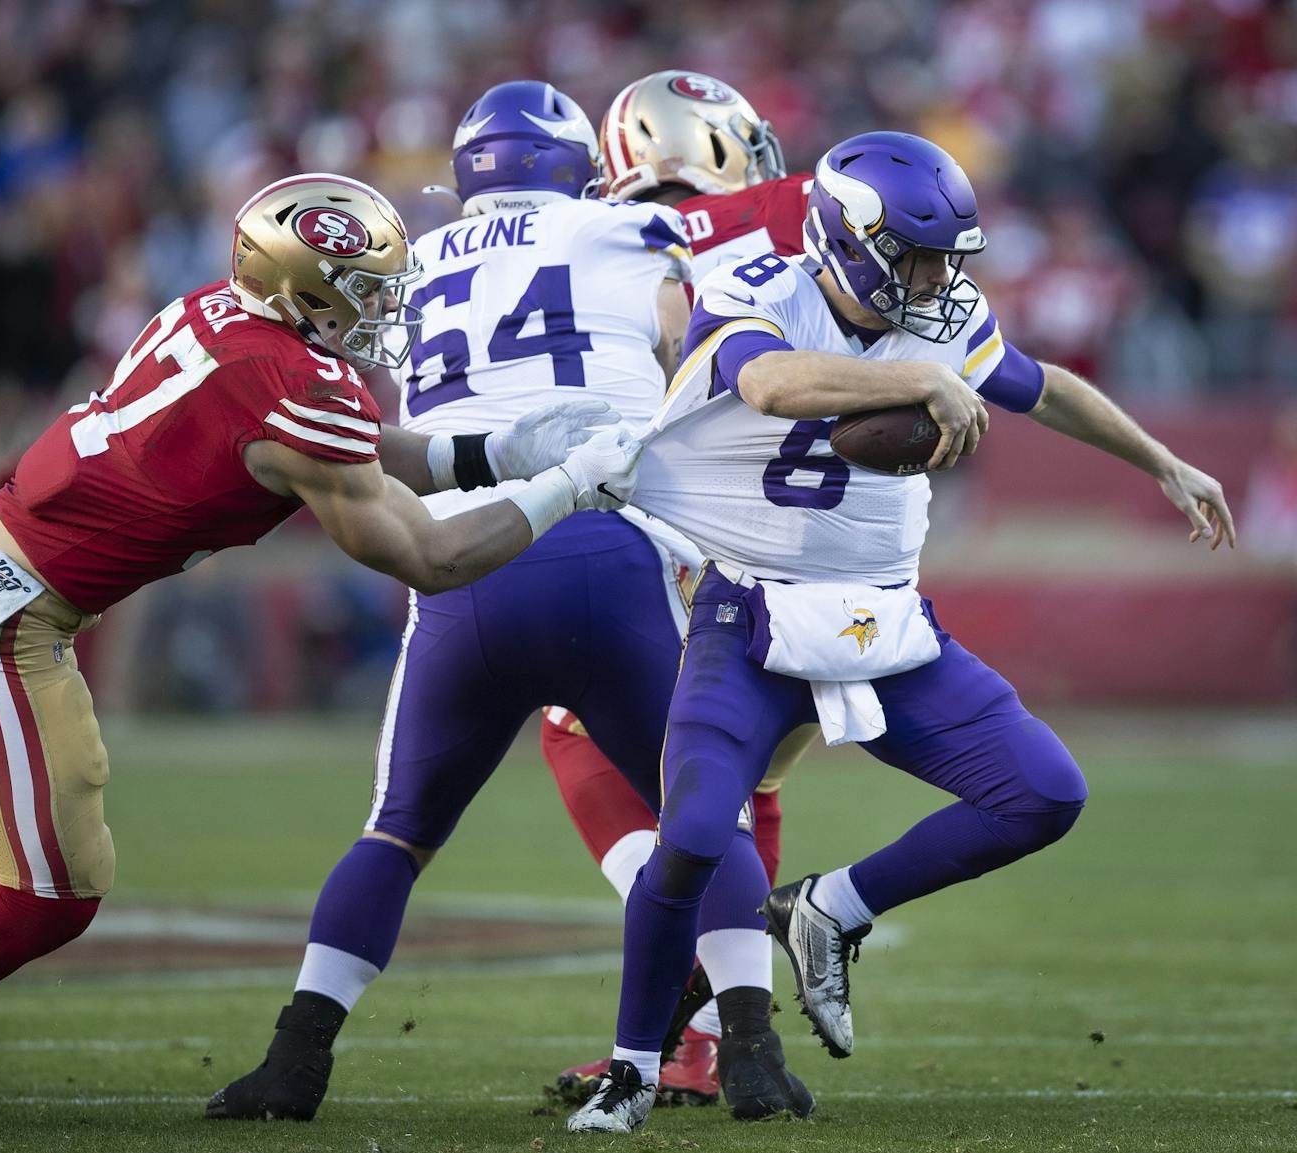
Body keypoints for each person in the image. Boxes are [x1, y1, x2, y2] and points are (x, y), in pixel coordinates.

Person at [0, 172, 636, 1131]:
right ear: (303, 287)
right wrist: (568, 483)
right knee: (54, 891)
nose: (385, 306)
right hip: (7, 615)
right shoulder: (290, 386)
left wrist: (496, 455)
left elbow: (350, 449)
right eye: (366, 287)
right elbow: (431, 556)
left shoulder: (222, 318)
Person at [565, 131, 1236, 1134]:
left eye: (942, 258)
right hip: (743, 609)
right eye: (914, 256)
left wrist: (1159, 460)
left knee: (1043, 791)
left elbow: (1039, 384)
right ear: (844, 241)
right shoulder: (754, 284)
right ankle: (631, 1065)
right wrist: (916, 383)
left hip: (879, 614)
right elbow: (767, 384)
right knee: (696, 833)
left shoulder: (943, 313)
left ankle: (828, 907)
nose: (933, 278)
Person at [208, 81, 812, 1127]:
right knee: (695, 814)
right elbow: (744, 259)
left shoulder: (419, 257)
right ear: (575, 164)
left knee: (394, 833)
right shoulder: (623, 227)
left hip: (455, 563)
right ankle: (747, 1051)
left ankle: (293, 1060)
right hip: (602, 553)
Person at [547, 69, 815, 1109]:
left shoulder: (621, 251)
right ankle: (709, 1026)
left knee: (584, 731)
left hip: (691, 534)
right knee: (744, 779)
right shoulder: (777, 237)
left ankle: (704, 986)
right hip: (799, 546)